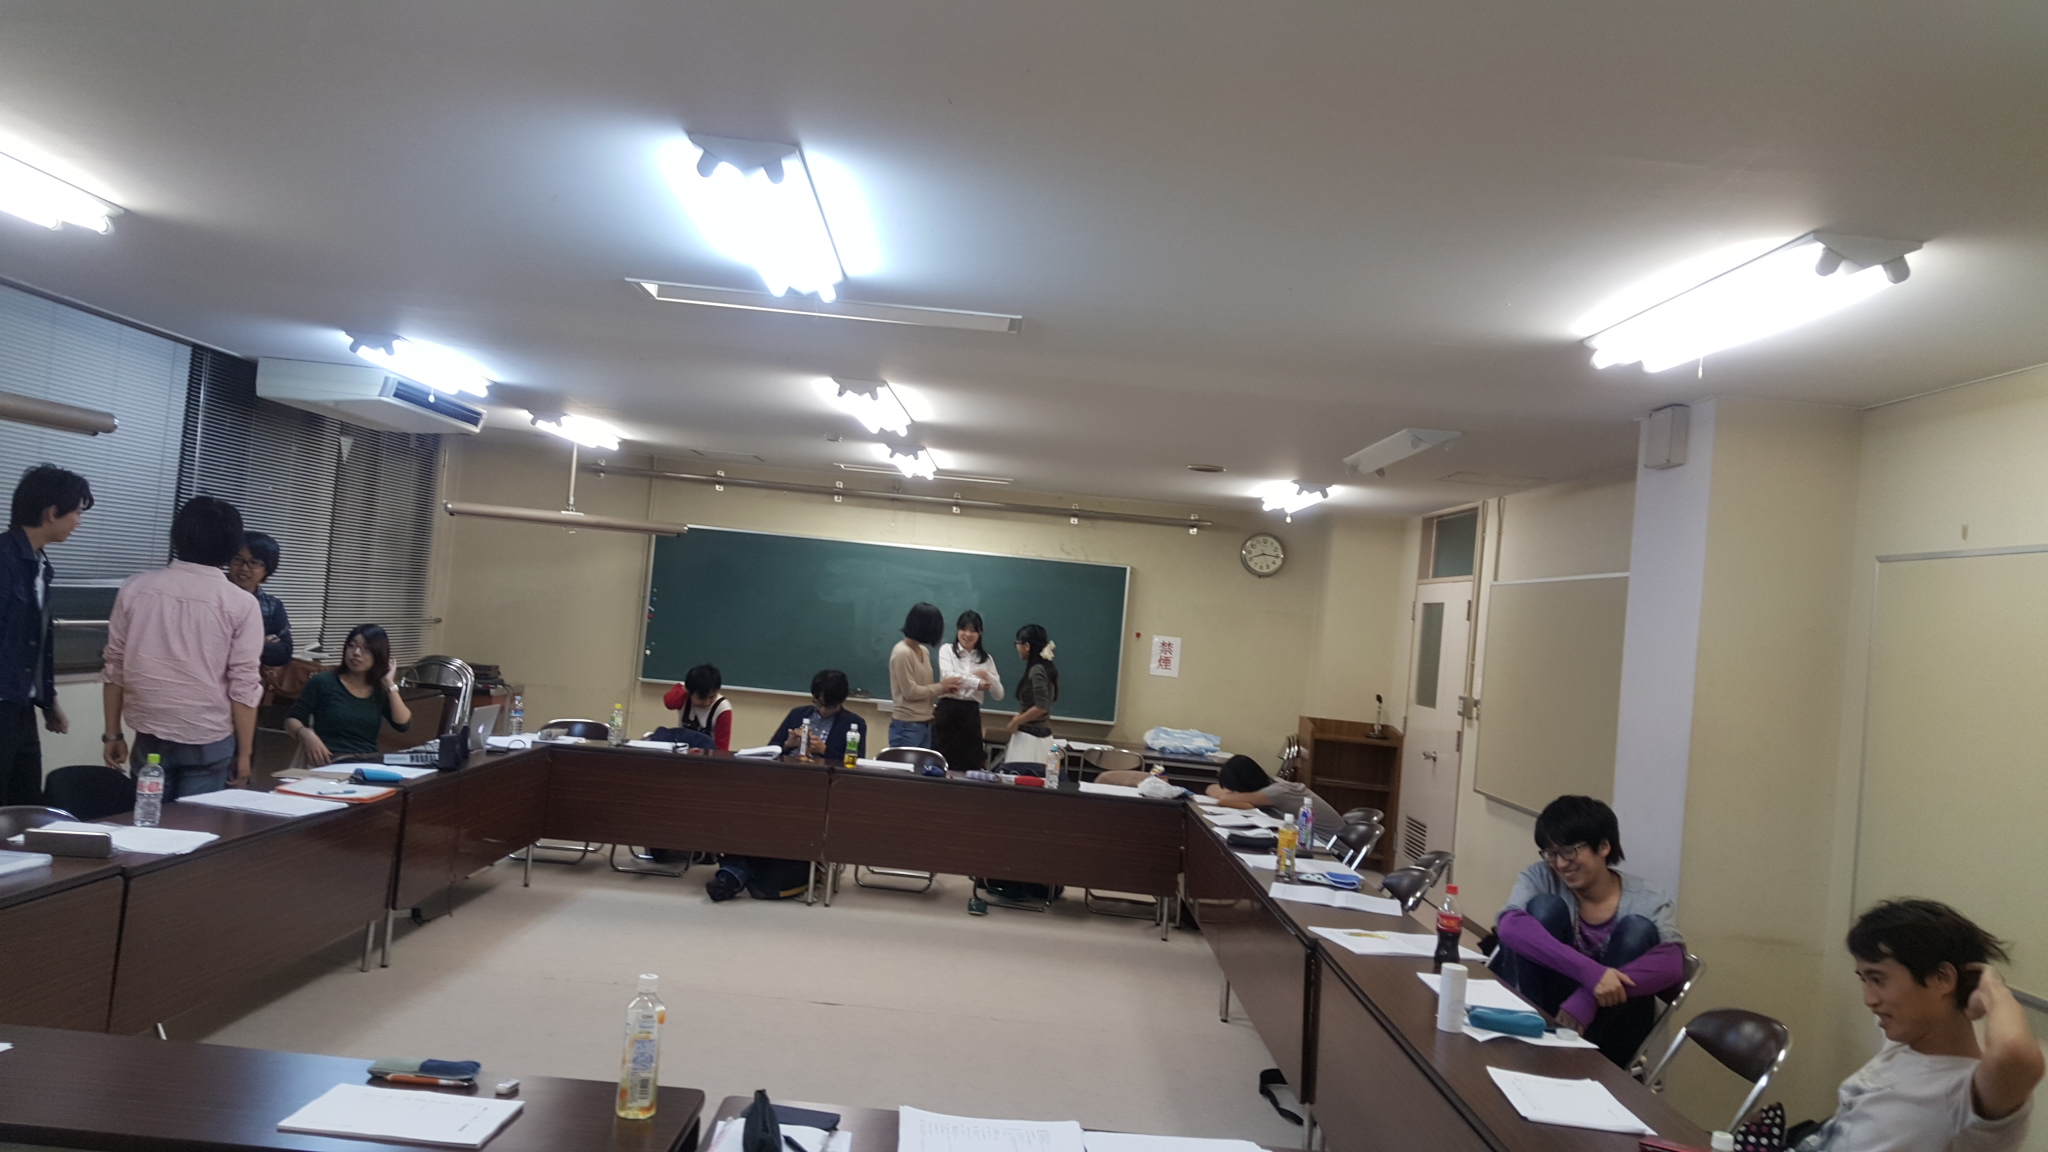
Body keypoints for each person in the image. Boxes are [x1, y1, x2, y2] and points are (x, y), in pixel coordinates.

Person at [1795, 899, 2040, 1152]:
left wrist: (1994, 991)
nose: (1869, 1000)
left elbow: (2014, 1052)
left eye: (1878, 979)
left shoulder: (1967, 1093)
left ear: (1942, 979)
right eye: (1864, 980)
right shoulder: (1903, 1042)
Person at [1487, 794, 1685, 1067]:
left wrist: (1587, 997)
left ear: (1603, 846)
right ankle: (1536, 1034)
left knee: (1637, 930)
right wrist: (1592, 973)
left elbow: (1673, 963)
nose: (1560, 864)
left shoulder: (1647, 898)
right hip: (1545, 1009)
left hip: (1610, 1031)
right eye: (1551, 854)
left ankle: (1578, 1059)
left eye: (1569, 851)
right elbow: (1510, 925)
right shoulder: (1542, 876)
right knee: (1545, 908)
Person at [102, 496, 263, 797]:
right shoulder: (241, 604)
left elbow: (114, 667)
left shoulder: (135, 588)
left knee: (147, 821)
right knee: (197, 825)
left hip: (149, 735)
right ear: (231, 547)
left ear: (177, 536)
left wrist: (112, 733)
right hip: (209, 739)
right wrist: (245, 754)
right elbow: (244, 685)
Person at [0, 465, 90, 806]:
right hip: (3, 704)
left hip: (20, 706)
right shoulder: (4, 560)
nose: (78, 522)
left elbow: (31, 644)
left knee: (25, 806)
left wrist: (49, 701)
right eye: (76, 512)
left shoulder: (39, 565)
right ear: (51, 513)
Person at [283, 624, 413, 764]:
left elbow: (403, 725)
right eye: (351, 646)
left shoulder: (379, 689)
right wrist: (306, 733)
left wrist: (389, 684)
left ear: (378, 654)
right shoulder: (324, 682)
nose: (356, 652)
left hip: (367, 762)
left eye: (366, 649)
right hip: (329, 761)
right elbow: (292, 719)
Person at [933, 610, 1003, 773]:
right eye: (963, 629)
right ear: (957, 630)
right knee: (941, 763)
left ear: (980, 633)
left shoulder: (986, 659)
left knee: (970, 766)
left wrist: (987, 675)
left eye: (973, 630)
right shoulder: (947, 650)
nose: (967, 634)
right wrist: (976, 683)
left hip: (970, 714)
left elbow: (999, 694)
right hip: (947, 711)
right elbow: (949, 677)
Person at [887, 602, 961, 750]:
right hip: (906, 726)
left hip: (926, 723)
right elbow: (910, 692)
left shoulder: (923, 651)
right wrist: (941, 687)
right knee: (904, 765)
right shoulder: (902, 652)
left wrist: (945, 689)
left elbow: (925, 688)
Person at [1206, 754, 1341, 828]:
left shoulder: (1276, 792)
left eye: (1234, 790)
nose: (1233, 793)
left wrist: (1233, 798)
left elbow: (1224, 799)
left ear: (1244, 784)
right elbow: (1211, 788)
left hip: (1330, 847)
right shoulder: (1270, 783)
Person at [770, 669, 870, 763]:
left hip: (825, 772)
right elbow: (770, 750)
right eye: (818, 704)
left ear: (841, 701)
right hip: (790, 767)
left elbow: (857, 762)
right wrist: (787, 745)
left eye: (830, 706)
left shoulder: (854, 723)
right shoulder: (797, 714)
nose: (823, 710)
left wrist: (825, 750)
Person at [228, 530, 292, 669]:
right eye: (237, 559)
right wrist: (259, 643)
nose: (244, 568)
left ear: (267, 569)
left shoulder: (272, 606)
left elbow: (284, 653)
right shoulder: (212, 596)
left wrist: (238, 646)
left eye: (254, 563)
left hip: (249, 677)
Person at [1003, 623, 1059, 764]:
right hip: (1042, 737)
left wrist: (1016, 721)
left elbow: (1041, 706)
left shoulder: (1036, 670)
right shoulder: (1046, 667)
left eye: (1018, 643)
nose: (1017, 647)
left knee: (1022, 774)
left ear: (1027, 646)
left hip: (1029, 739)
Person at [661, 663, 732, 751]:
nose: (707, 702)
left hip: (709, 755)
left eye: (712, 697)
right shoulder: (684, 696)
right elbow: (669, 703)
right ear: (689, 692)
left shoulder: (723, 708)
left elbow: (722, 748)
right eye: (702, 698)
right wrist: (685, 689)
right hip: (683, 750)